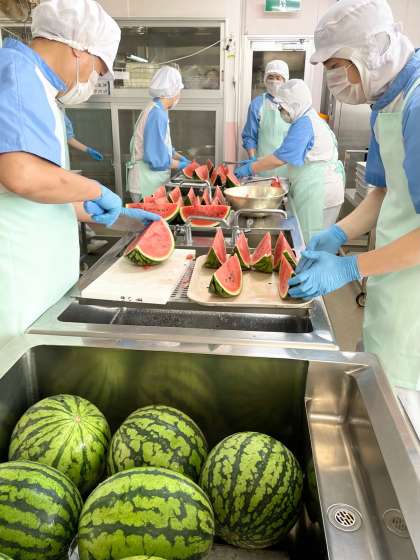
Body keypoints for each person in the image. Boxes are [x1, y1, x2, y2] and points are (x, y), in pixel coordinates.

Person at [0, 0, 159, 350]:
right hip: (17, 282)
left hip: (42, 279)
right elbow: (20, 174)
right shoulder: (16, 72)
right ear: (78, 48)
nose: (93, 79)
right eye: (97, 68)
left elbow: (38, 189)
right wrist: (94, 189)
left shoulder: (43, 88)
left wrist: (100, 212)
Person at [289, 0, 420, 391]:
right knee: (382, 380)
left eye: (335, 65)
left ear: (372, 49)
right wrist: (339, 233)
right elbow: (382, 191)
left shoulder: (417, 104)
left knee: (404, 403)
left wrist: (350, 267)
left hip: (413, 290)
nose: (332, 78)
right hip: (391, 274)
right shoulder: (385, 102)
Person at [236, 79, 345, 244]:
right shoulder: (308, 119)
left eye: (282, 107)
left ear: (295, 105)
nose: (280, 111)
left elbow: (281, 158)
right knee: (312, 241)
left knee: (311, 242)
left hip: (319, 191)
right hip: (317, 188)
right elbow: (283, 153)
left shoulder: (305, 124)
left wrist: (251, 168)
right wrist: (257, 161)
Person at [127, 66, 190, 202]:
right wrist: (182, 165)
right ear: (173, 91)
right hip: (146, 184)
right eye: (179, 90)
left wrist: (179, 156)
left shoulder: (158, 108)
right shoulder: (157, 114)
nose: (179, 95)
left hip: (150, 182)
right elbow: (156, 159)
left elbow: (160, 145)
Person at [241, 60, 290, 178]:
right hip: (263, 168)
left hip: (288, 167)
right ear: (265, 80)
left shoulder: (292, 104)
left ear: (285, 80)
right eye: (270, 77)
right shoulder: (257, 104)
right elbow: (250, 136)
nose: (274, 81)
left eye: (278, 78)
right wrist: (252, 160)